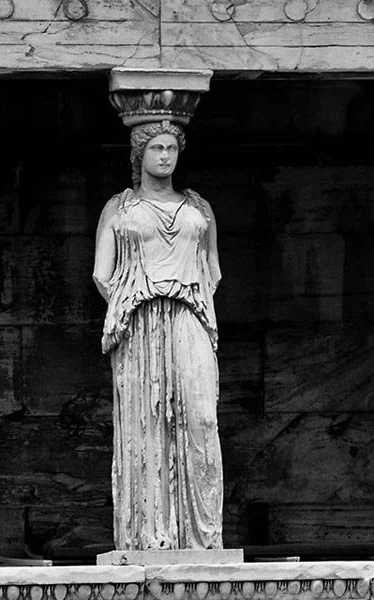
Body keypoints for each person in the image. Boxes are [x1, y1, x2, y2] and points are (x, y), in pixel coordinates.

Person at [92, 120, 224, 550]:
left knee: (201, 417)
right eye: (156, 148)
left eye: (171, 148)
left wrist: (181, 296)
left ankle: (203, 537)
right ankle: (149, 536)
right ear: (140, 154)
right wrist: (137, 299)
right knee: (146, 422)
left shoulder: (198, 208)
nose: (165, 156)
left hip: (190, 314)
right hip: (139, 321)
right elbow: (102, 273)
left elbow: (213, 271)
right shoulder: (120, 208)